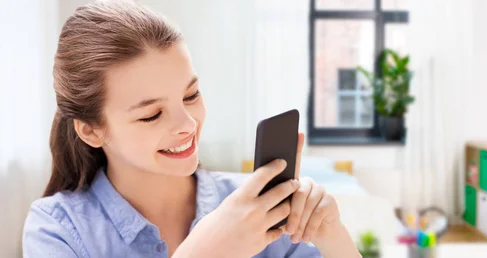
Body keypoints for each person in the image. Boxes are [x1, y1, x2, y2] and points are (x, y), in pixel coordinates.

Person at [21, 1, 361, 257]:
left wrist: (333, 236)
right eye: (152, 115)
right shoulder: (57, 229)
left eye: (191, 94)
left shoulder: (261, 208)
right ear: (92, 131)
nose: (187, 125)